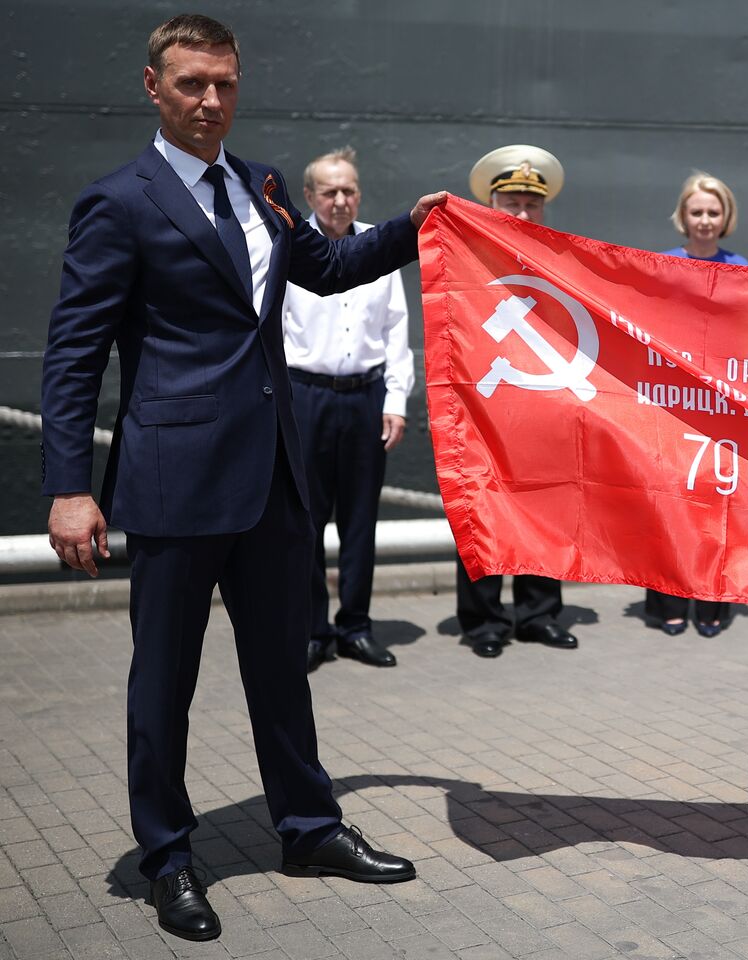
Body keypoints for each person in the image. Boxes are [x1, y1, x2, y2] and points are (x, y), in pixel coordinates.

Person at [40, 14, 447, 943]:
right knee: (164, 682)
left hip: (273, 478)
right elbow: (73, 355)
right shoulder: (122, 201)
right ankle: (169, 858)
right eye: (191, 84)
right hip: (174, 483)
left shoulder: (263, 185)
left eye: (224, 83)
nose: (211, 101)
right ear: (154, 87)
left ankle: (307, 829)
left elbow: (332, 267)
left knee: (282, 672)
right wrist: (70, 486)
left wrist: (417, 229)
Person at [284, 146, 413, 672]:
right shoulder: (289, 248)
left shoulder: (378, 250)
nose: (340, 200)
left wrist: (397, 401)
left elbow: (397, 331)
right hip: (304, 398)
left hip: (365, 397)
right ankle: (314, 630)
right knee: (305, 522)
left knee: (361, 521)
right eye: (329, 190)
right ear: (310, 195)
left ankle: (355, 626)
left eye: (349, 190)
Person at [454, 144, 578, 659]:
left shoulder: (564, 261)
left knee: (545, 509)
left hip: (543, 404)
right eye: (512, 202)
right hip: (486, 402)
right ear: (492, 203)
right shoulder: (467, 255)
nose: (522, 212)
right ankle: (484, 620)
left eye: (531, 203)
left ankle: (538, 613)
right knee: (480, 507)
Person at [646, 171, 748, 636]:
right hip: (672, 401)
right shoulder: (661, 264)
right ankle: (668, 598)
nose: (705, 220)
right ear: (683, 217)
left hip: (720, 405)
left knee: (715, 504)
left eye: (713, 212)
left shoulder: (741, 266)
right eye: (697, 212)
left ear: (724, 217)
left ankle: (711, 601)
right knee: (670, 503)